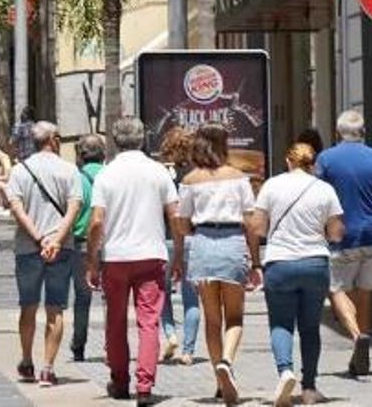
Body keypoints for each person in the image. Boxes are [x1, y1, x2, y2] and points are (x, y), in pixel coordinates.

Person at [85, 117, 179, 406]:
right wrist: (179, 253)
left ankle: (120, 380)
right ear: (143, 139)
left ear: (114, 141)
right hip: (151, 254)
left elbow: (96, 221)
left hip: (115, 257)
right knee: (149, 322)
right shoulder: (158, 171)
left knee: (115, 321)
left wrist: (92, 261)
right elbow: (175, 215)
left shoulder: (106, 175)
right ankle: (145, 386)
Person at [250, 143, 345, 407]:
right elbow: (336, 233)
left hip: (279, 263)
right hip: (315, 263)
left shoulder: (271, 186)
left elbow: (257, 228)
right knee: (310, 328)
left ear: (288, 161)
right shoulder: (325, 189)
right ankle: (310, 388)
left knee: (281, 324)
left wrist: (258, 258)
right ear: (312, 164)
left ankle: (285, 372)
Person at [177, 122, 259, 405]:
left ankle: (219, 381)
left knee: (212, 320)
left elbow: (182, 224)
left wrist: (195, 229)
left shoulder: (190, 180)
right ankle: (227, 360)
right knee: (235, 317)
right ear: (224, 145)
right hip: (232, 243)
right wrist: (256, 262)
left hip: (202, 245)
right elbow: (251, 224)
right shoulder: (238, 177)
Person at [316, 109, 372, 377]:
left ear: (337, 132)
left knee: (337, 289)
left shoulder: (326, 160)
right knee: (365, 293)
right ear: (363, 132)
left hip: (341, 235)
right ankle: (361, 347)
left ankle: (356, 336)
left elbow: (318, 199)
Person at [5, 121, 82, 387]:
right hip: (61, 249)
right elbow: (74, 208)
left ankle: (27, 361)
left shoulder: (20, 170)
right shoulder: (69, 170)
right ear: (53, 140)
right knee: (55, 308)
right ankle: (48, 369)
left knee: (28, 306)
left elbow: (16, 209)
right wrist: (56, 240)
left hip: (28, 248)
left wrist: (39, 238)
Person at [158, 127, 200, 365]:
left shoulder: (159, 172)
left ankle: (170, 334)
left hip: (163, 238)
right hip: (192, 238)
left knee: (161, 292)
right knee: (191, 297)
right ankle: (188, 351)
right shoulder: (196, 173)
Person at [69, 132, 104, 362]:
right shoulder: (111, 175)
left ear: (80, 155)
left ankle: (78, 345)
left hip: (81, 243)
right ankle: (113, 345)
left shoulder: (77, 179)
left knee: (82, 298)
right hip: (110, 243)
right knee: (112, 298)